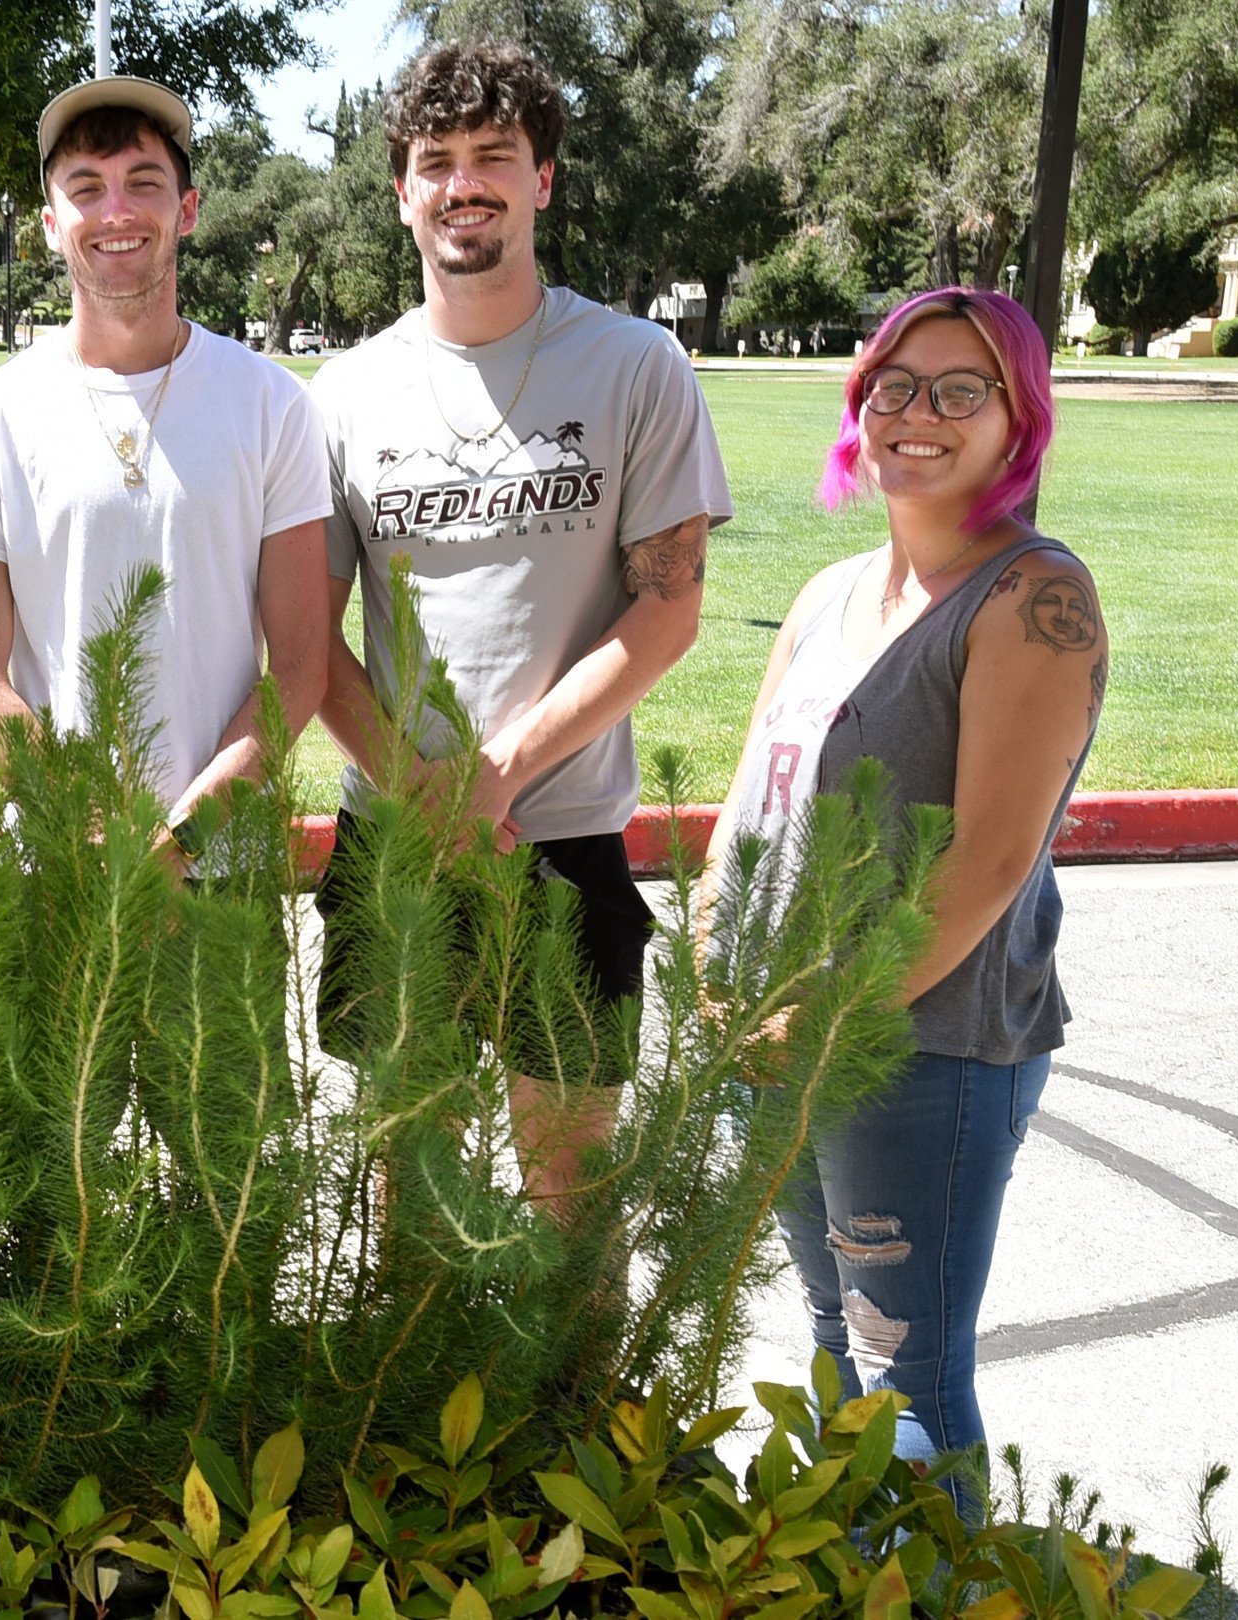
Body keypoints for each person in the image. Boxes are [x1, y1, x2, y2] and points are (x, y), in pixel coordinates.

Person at [304, 39, 731, 1210]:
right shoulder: (343, 395)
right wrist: (424, 794)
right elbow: (306, 641)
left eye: (495, 155)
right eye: (436, 161)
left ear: (542, 178)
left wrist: (495, 777)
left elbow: (668, 608)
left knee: (571, 1210)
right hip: (395, 840)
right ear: (403, 193)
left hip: (569, 838)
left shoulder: (636, 366)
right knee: (411, 1208)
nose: (465, 183)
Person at [714, 287, 1099, 1498]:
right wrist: (721, 968)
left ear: (1018, 421)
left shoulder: (1032, 600)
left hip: (917, 1047)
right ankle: (848, 1561)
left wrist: (825, 1018)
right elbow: (751, 795)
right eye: (893, 385)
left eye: (961, 389)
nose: (918, 412)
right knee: (839, 1335)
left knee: (907, 1376)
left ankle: (932, 1576)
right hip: (771, 1033)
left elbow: (988, 860)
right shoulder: (831, 593)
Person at [0, 76, 333, 864]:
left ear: (188, 208)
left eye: (144, 182)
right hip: (59, 867)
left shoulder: (272, 404)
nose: (116, 212)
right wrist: (93, 834)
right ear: (50, 225)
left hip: (225, 874)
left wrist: (180, 843)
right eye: (86, 189)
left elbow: (301, 669)